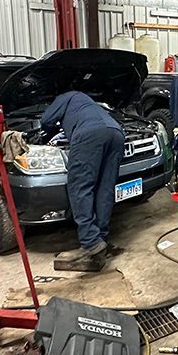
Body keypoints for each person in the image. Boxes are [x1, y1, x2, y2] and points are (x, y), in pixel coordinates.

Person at [40, 90, 125, 272]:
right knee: (105, 188)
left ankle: (91, 241)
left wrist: (48, 134)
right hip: (116, 132)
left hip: (89, 135)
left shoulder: (63, 97)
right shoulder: (86, 101)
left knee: (80, 187)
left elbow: (46, 120)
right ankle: (100, 238)